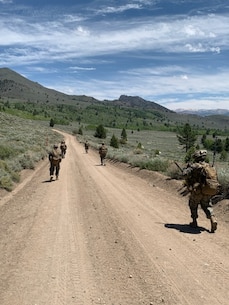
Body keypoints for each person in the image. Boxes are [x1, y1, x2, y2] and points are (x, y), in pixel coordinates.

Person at [183, 150, 219, 233]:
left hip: (197, 190)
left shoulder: (195, 166)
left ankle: (194, 221)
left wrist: (186, 170)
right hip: (207, 190)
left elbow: (185, 174)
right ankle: (213, 218)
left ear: (196, 157)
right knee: (207, 206)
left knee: (193, 205)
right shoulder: (209, 166)